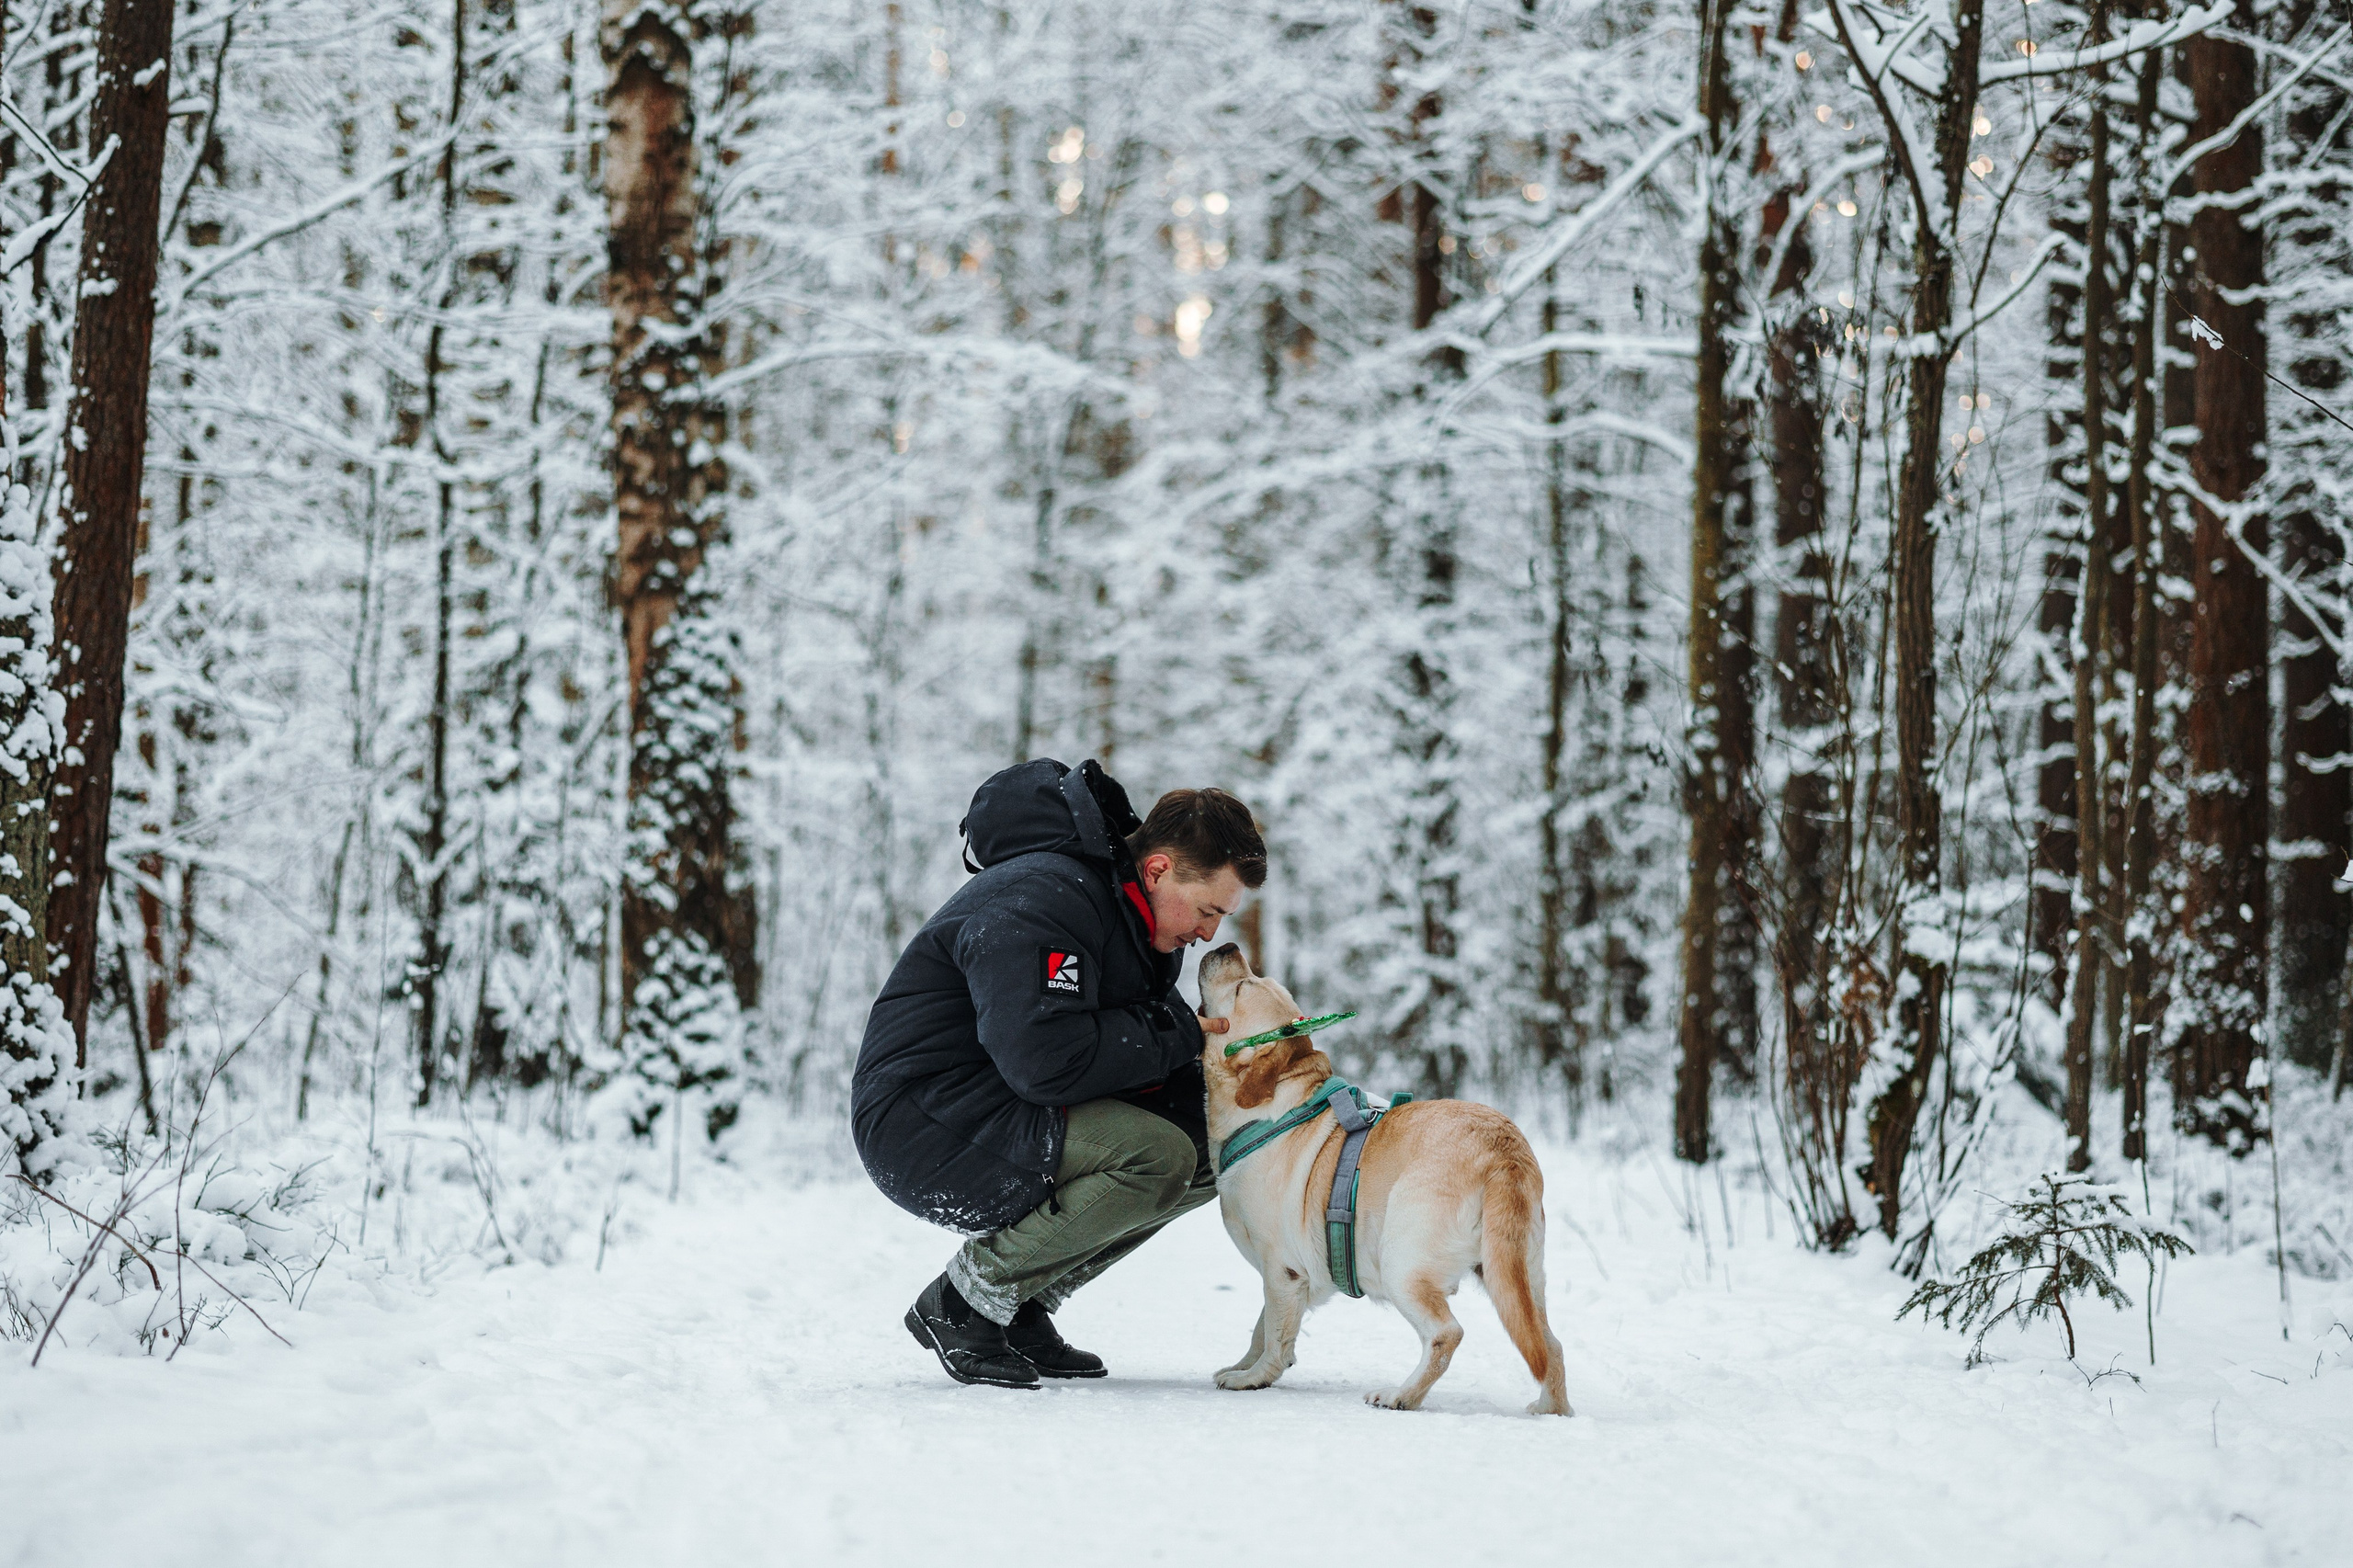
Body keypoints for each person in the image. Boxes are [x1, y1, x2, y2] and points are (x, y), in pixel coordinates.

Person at [851, 758, 1266, 1388]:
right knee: (1156, 1155)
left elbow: (1128, 1049)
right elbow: (1045, 1061)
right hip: (923, 1122)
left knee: (1216, 1144)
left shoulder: (1128, 918)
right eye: (1208, 910)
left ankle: (1020, 1301)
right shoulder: (1043, 899)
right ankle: (966, 1300)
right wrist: (1175, 1036)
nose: (1209, 934)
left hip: (998, 1107)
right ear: (1158, 870)